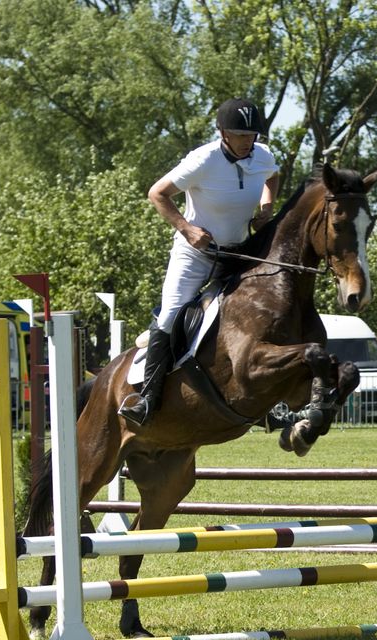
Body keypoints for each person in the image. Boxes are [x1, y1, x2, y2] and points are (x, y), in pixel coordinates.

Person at [120, 98, 279, 426]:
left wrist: (266, 208)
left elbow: (272, 177)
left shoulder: (262, 156)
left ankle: (267, 406)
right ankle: (146, 399)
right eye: (240, 134)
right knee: (169, 317)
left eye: (252, 134)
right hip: (194, 254)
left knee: (260, 316)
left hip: (238, 254)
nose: (248, 140)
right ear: (222, 133)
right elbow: (157, 193)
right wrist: (187, 229)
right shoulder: (202, 160)